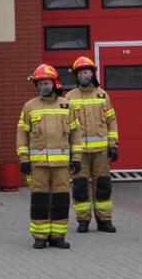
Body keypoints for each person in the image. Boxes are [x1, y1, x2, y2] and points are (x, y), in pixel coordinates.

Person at [16, 64, 78, 249]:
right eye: (40, 83)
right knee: (40, 201)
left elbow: (76, 133)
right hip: (38, 165)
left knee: (61, 200)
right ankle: (40, 236)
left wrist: (77, 158)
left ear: (55, 83)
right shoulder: (29, 107)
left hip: (61, 164)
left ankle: (58, 236)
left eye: (47, 82)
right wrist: (23, 159)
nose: (44, 86)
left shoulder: (66, 106)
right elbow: (21, 134)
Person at [64, 56, 119, 233]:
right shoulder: (69, 97)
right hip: (79, 152)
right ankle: (83, 220)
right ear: (76, 76)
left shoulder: (103, 95)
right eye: (80, 73)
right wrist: (70, 150)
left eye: (87, 72)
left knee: (103, 185)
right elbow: (66, 126)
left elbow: (112, 121)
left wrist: (113, 145)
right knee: (80, 186)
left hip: (101, 151)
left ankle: (104, 220)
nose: (84, 75)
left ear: (93, 74)